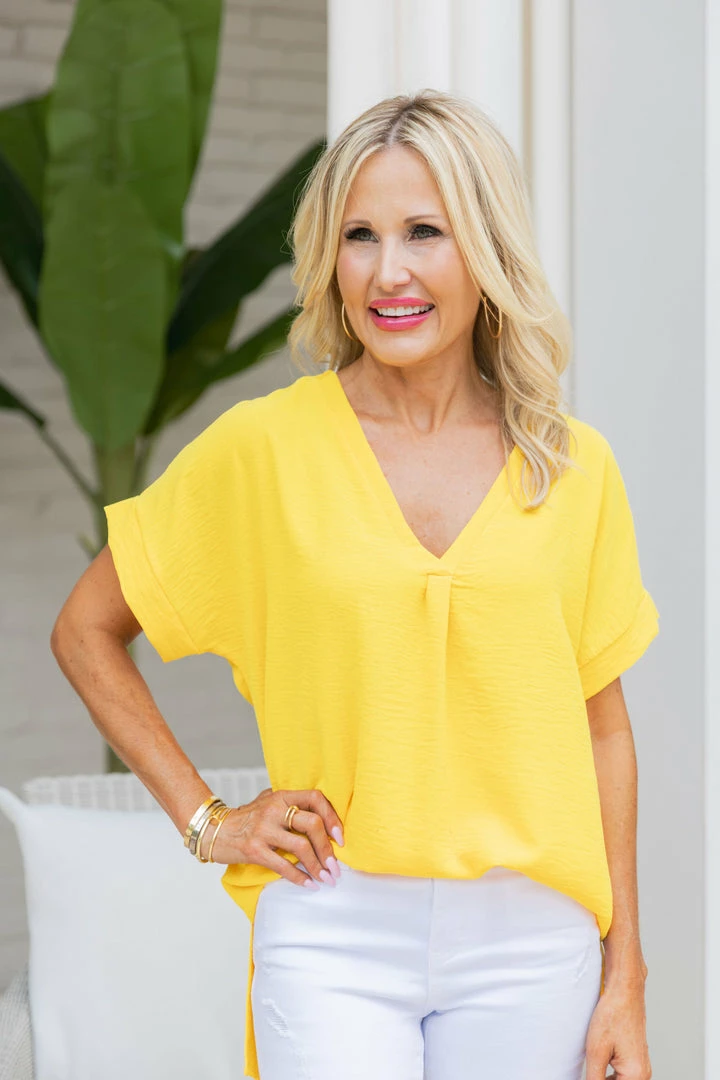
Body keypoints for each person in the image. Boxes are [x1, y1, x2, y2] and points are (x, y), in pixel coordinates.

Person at [50, 89, 658, 1080]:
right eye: (358, 236)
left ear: (485, 246)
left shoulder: (572, 466)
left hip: (532, 942)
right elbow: (85, 629)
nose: (388, 272)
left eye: (425, 232)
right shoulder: (265, 449)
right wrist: (210, 821)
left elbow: (604, 732)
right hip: (334, 926)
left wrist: (625, 973)